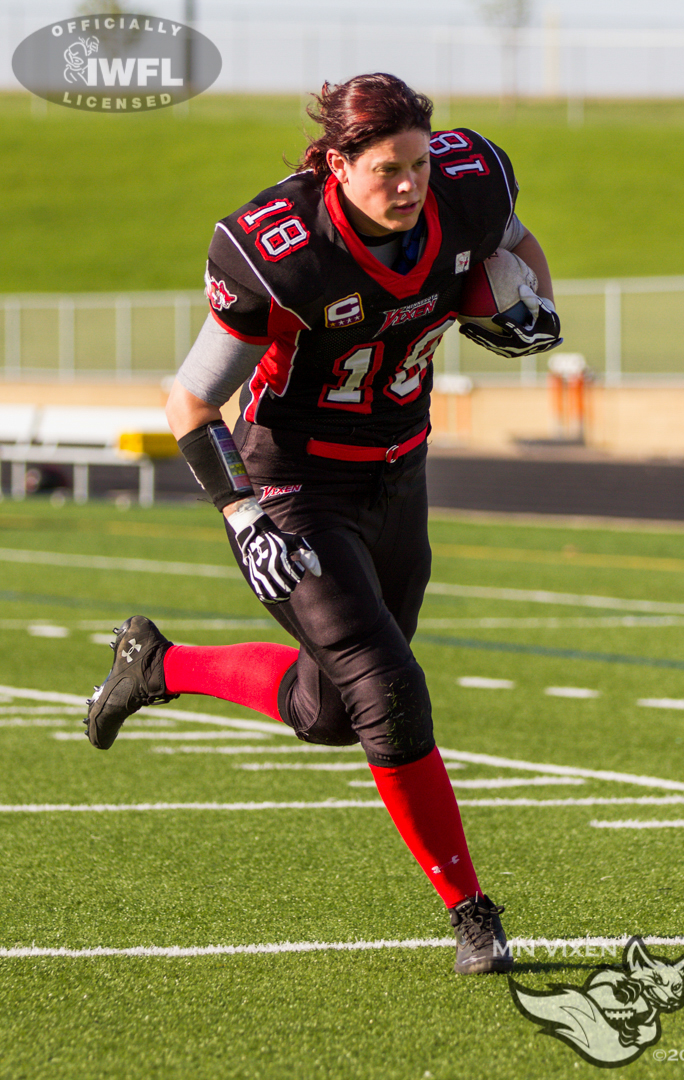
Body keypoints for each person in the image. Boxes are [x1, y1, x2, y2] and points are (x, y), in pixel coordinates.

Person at [84, 73, 560, 975]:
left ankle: (160, 666)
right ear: (337, 164)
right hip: (293, 486)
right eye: (389, 169)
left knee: (330, 712)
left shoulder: (468, 183)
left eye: (420, 163)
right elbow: (190, 403)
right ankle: (472, 914)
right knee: (388, 689)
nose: (412, 184)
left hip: (398, 472)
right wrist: (242, 515)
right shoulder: (281, 249)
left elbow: (515, 242)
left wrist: (537, 304)